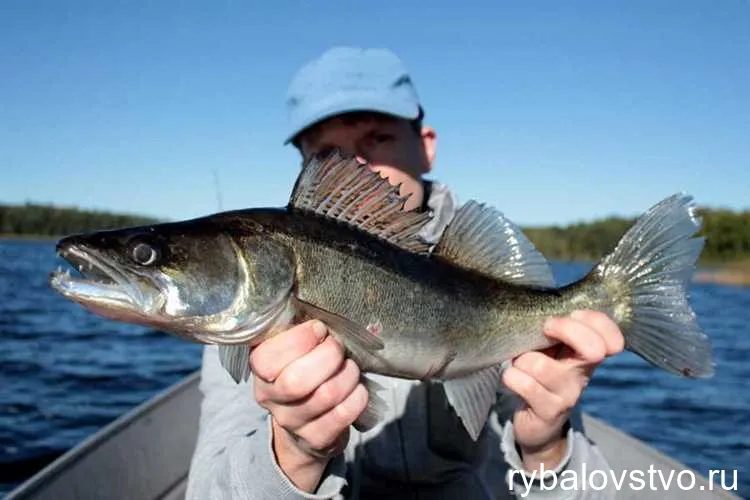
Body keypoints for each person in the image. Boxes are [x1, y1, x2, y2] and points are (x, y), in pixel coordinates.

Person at [186, 47, 624, 499]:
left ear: (426, 145)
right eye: (326, 152)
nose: (355, 166)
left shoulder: (494, 278)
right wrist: (295, 453)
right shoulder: (244, 312)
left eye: (377, 139)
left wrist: (546, 445)